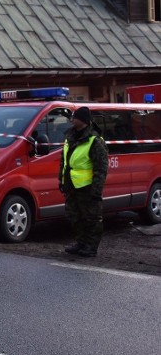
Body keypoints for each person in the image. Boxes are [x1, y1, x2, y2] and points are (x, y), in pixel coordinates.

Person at [59, 106, 108, 257]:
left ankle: (91, 247)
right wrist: (61, 180)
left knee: (91, 218)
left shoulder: (94, 140)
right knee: (74, 216)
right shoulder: (70, 136)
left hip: (87, 187)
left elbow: (101, 168)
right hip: (71, 185)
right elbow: (64, 161)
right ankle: (80, 243)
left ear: (83, 120)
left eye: (75, 117)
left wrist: (96, 190)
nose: (71, 119)